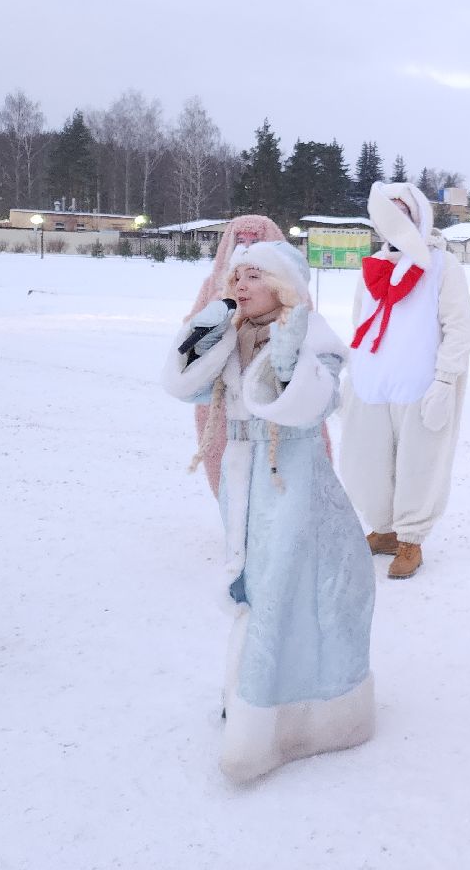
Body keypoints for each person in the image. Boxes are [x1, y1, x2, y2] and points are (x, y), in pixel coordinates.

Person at [164, 240, 375, 783]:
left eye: (253, 275)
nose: (239, 284)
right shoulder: (229, 333)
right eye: (235, 275)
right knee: (252, 588)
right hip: (243, 475)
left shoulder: (311, 332)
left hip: (294, 480)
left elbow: (315, 406)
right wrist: (202, 332)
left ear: (281, 284)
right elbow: (183, 386)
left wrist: (285, 367)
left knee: (286, 591)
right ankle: (248, 698)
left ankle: (296, 721)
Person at [338, 181, 470, 580]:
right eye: (389, 209)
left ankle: (411, 538)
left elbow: (459, 327)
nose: (395, 217)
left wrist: (446, 380)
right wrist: (353, 372)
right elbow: (358, 321)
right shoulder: (372, 268)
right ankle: (384, 529)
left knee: (420, 463)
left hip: (420, 383)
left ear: (419, 214)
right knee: (366, 462)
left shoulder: (442, 266)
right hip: (371, 381)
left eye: (404, 208)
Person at [182, 214, 286, 498]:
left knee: (272, 453)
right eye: (241, 241)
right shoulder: (213, 286)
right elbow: (192, 328)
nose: (248, 246)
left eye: (256, 241)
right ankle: (231, 513)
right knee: (222, 451)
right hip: (222, 387)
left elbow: (302, 325)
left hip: (266, 383)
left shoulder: (285, 285)